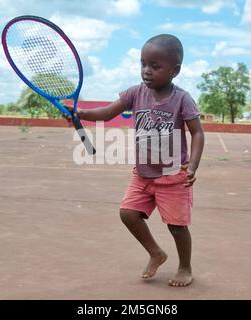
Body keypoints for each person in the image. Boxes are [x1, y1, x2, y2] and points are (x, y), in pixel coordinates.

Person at [69, 34, 205, 287]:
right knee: (128, 214)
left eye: (155, 66)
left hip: (174, 175)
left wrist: (193, 166)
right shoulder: (135, 93)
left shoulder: (182, 99)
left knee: (177, 226)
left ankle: (185, 267)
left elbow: (197, 132)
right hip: (142, 173)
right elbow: (108, 113)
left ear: (175, 70)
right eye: (143, 64)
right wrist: (83, 113)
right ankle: (156, 253)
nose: (147, 71)